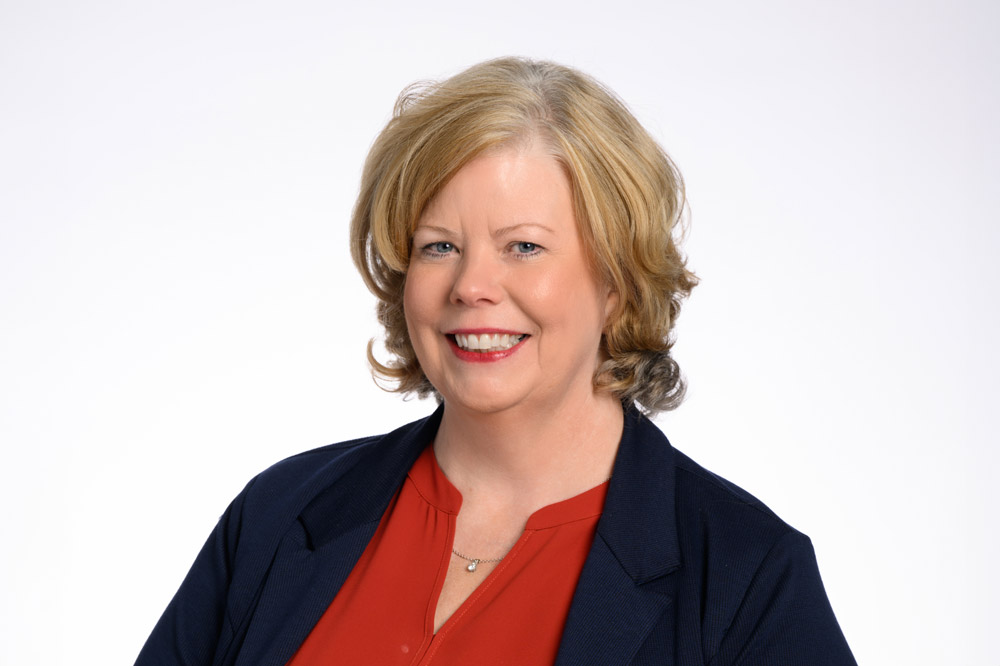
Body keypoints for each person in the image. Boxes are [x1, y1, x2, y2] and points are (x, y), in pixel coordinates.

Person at [135, 57, 856, 665]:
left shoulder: (747, 577)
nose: (471, 286)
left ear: (617, 280)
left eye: (524, 246)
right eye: (439, 246)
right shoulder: (277, 514)